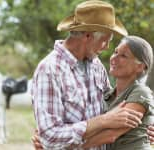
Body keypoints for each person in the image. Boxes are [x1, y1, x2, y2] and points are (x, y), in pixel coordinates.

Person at [31, 0, 150, 149]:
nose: (107, 47)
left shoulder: (96, 66)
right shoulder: (50, 70)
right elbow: (50, 136)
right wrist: (102, 121)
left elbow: (114, 107)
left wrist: (148, 125)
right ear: (87, 36)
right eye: (105, 41)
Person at [82, 35, 154, 150]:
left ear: (140, 67)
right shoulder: (107, 95)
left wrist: (68, 146)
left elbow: (110, 134)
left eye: (123, 56)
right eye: (115, 52)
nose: (114, 58)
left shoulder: (141, 92)